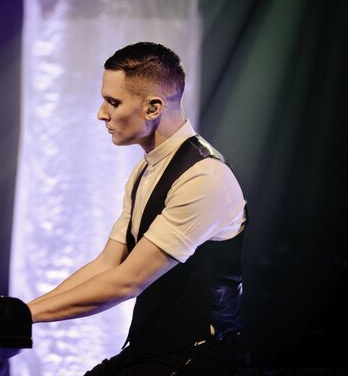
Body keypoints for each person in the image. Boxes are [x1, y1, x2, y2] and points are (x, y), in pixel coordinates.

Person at [27, 42, 247, 375]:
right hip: (152, 351)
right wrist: (19, 314)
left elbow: (126, 282)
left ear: (153, 107)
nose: (102, 113)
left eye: (113, 102)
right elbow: (107, 264)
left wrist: (20, 317)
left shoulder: (204, 177)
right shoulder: (146, 170)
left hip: (199, 358)